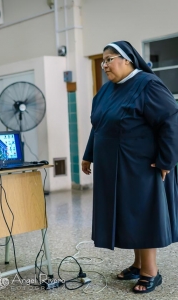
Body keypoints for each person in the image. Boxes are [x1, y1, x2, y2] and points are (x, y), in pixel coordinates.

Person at [81, 40, 178, 294]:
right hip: (113, 167)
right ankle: (137, 265)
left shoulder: (148, 84)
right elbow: (99, 124)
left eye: (109, 59)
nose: (104, 65)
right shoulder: (106, 90)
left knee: (142, 215)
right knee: (129, 215)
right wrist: (89, 154)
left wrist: (167, 159)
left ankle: (150, 272)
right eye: (102, 60)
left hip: (141, 165)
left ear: (127, 60)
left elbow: (170, 121)